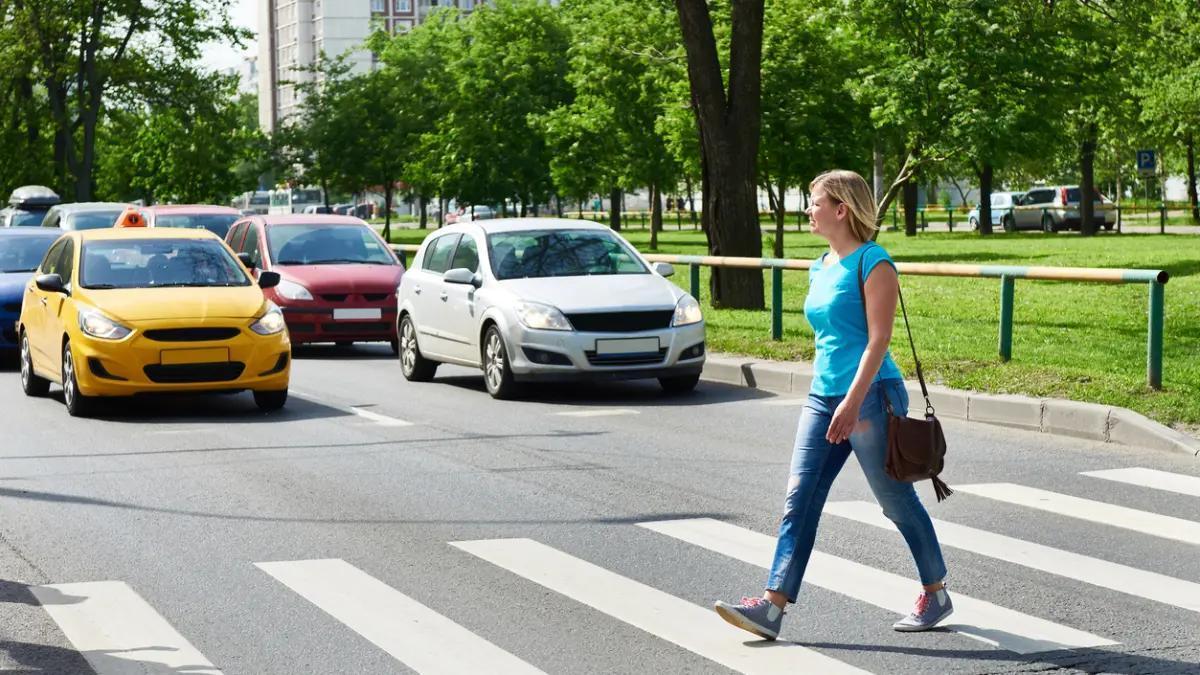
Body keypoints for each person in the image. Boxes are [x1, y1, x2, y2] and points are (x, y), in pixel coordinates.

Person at [714, 169, 952, 640]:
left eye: (814, 201)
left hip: (870, 396)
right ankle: (772, 606)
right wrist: (833, 397)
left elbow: (878, 340)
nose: (808, 209)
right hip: (823, 397)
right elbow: (830, 337)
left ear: (841, 209)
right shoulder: (820, 264)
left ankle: (936, 591)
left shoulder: (874, 262)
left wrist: (853, 400)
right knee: (799, 498)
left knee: (894, 499)